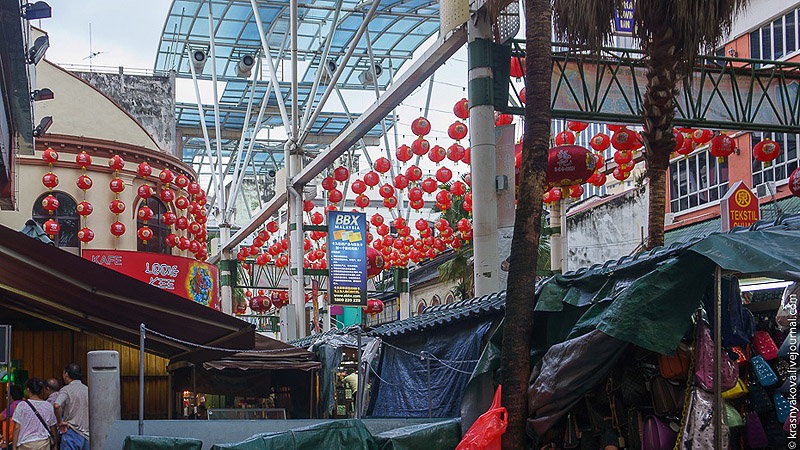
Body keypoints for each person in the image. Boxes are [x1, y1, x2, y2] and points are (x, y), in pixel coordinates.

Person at [11, 378, 57, 450]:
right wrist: (55, 444)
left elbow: (17, 428)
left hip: (25, 444)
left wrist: (14, 447)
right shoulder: (48, 405)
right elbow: (53, 427)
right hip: (43, 444)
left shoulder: (22, 405)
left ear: (28, 390)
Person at [52, 364, 88, 450]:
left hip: (72, 432)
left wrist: (60, 422)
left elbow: (57, 405)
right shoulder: (87, 389)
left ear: (66, 374)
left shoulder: (66, 389)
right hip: (87, 434)